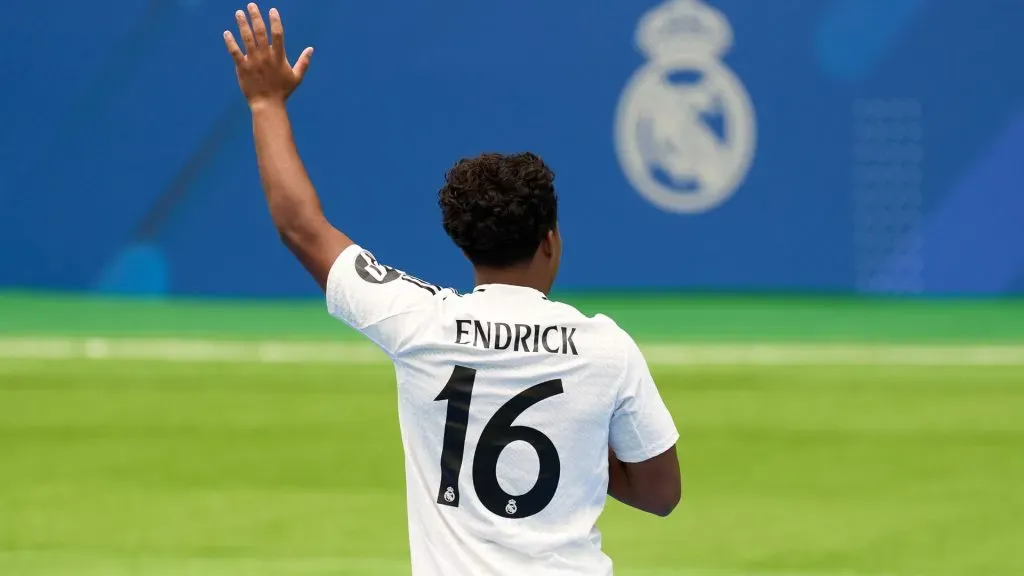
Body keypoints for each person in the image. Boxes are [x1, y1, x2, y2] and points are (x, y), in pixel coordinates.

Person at [223, 4, 681, 575]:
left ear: (465, 246)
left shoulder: (420, 323)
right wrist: (578, 446)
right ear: (550, 241)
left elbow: (302, 228)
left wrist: (265, 104)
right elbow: (661, 494)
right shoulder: (606, 349)